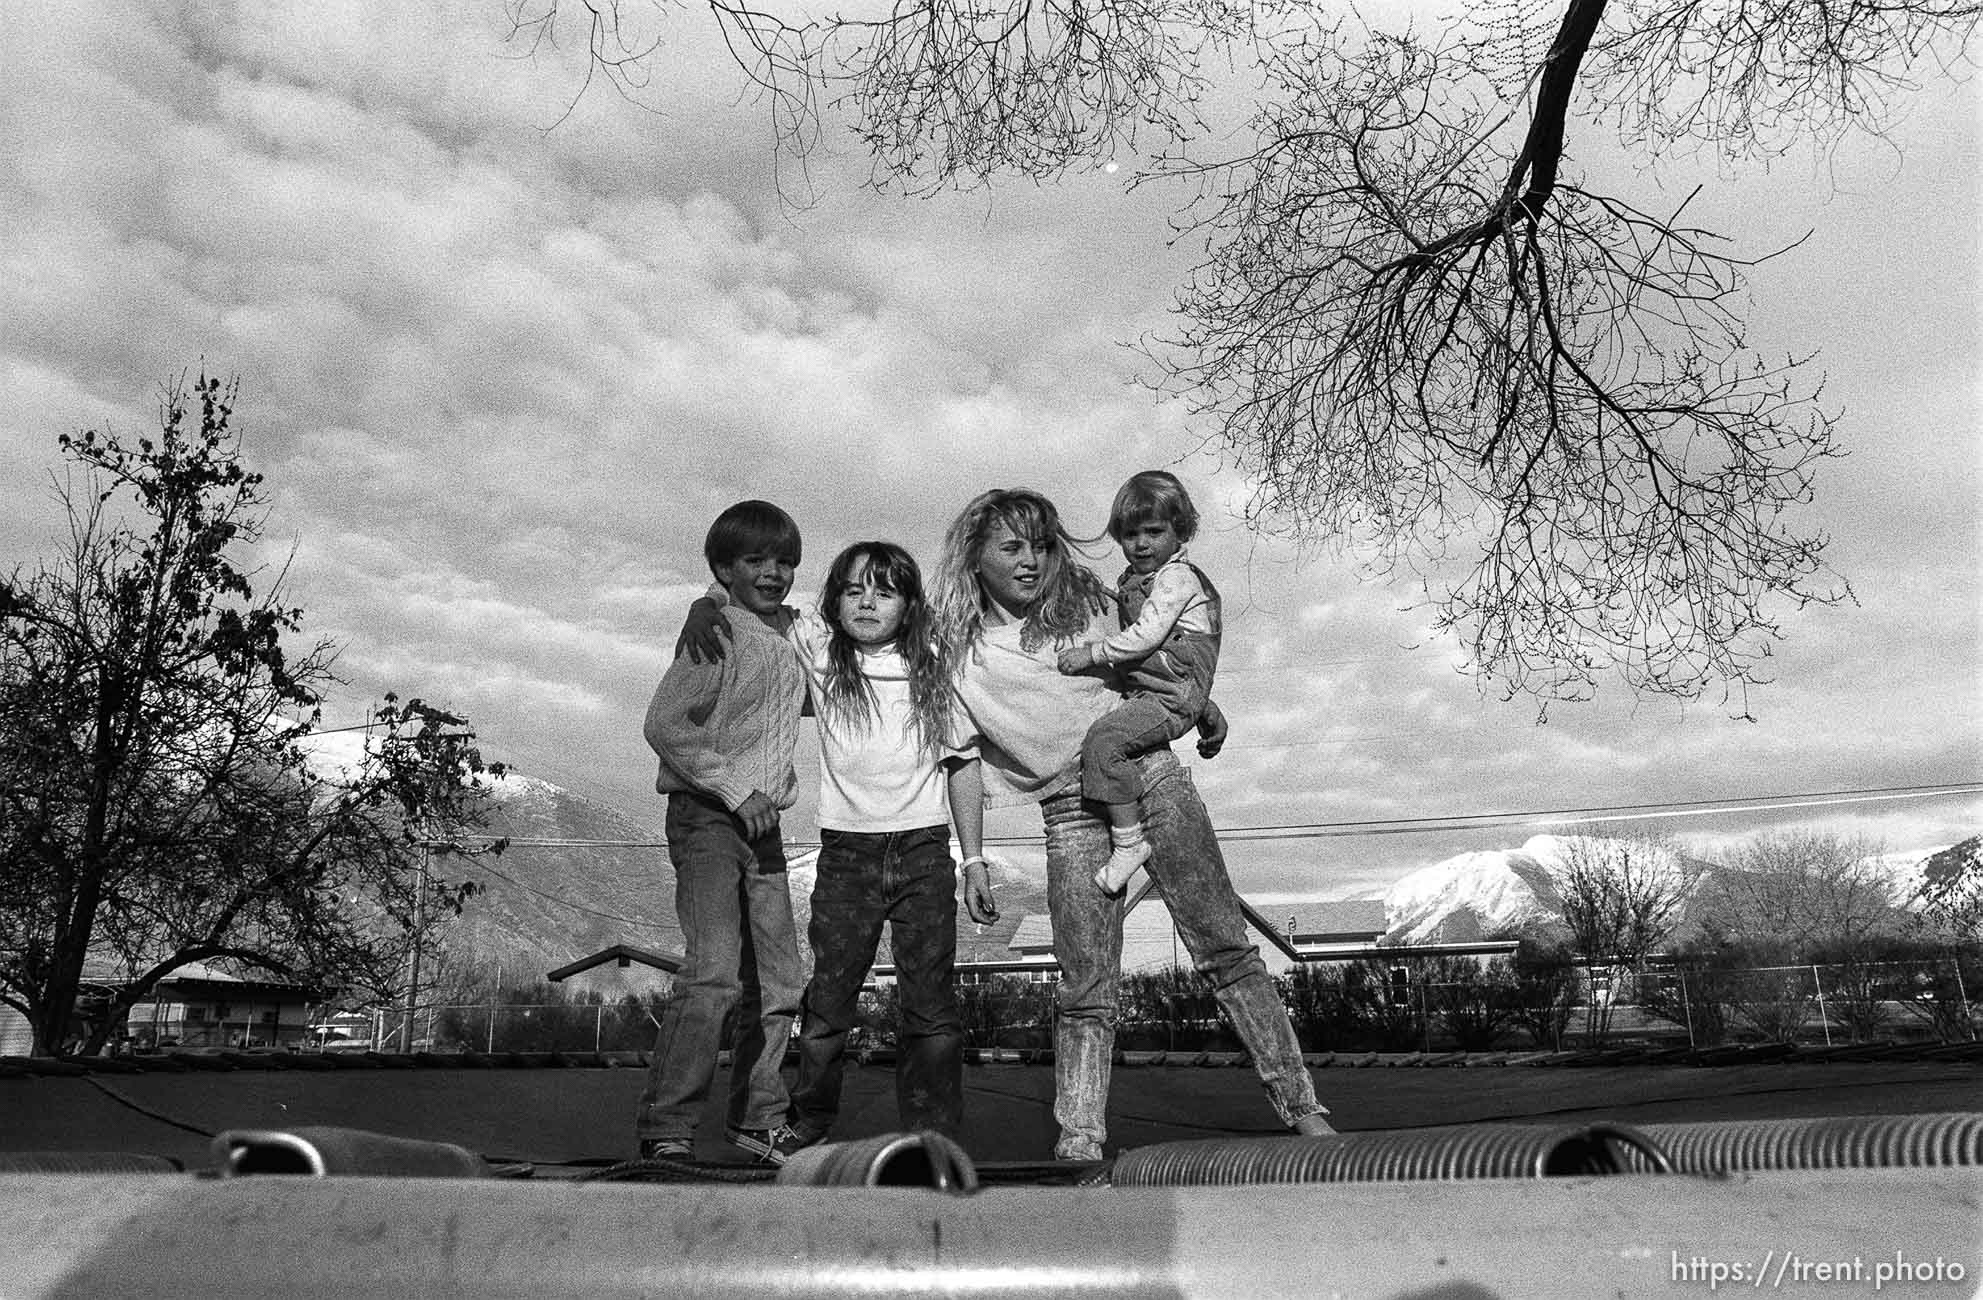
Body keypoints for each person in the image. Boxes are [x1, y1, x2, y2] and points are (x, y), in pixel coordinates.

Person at [931, 487, 1334, 1162]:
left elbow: (1161, 657)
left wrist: (1200, 704)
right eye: (1011, 547)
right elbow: (961, 761)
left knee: (1223, 949)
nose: (1030, 562)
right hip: (1069, 811)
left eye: (1041, 545)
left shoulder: (1089, 603)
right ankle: (1080, 1140)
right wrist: (971, 858)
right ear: (975, 557)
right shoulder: (957, 657)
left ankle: (1303, 1109)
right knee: (1084, 984)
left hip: (1150, 777)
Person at [680, 541, 974, 1147]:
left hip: (925, 849)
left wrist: (974, 860)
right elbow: (753, 601)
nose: (868, 602)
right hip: (846, 855)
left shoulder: (936, 663)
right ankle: (810, 1122)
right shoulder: (818, 648)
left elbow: (961, 764)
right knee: (829, 1003)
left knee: (930, 1006)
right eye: (854, 590)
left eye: (886, 591)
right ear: (835, 601)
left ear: (909, 605)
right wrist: (704, 603)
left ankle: (932, 1132)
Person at [633, 499, 810, 1165]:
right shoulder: (714, 635)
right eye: (755, 561)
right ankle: (666, 1126)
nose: (772, 572)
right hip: (708, 816)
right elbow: (666, 722)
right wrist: (735, 787)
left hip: (761, 828)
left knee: (779, 979)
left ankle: (756, 1119)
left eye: (785, 561)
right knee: (713, 973)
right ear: (725, 568)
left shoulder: (790, 635)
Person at [1056, 470, 1221, 895]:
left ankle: (1129, 842)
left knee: (1104, 741)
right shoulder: (1136, 580)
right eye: (1131, 534)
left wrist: (1090, 655)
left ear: (1179, 532)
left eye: (1154, 531)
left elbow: (1148, 636)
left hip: (1169, 694)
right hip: (1165, 686)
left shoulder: (1177, 579)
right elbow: (1163, 647)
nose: (1141, 543)